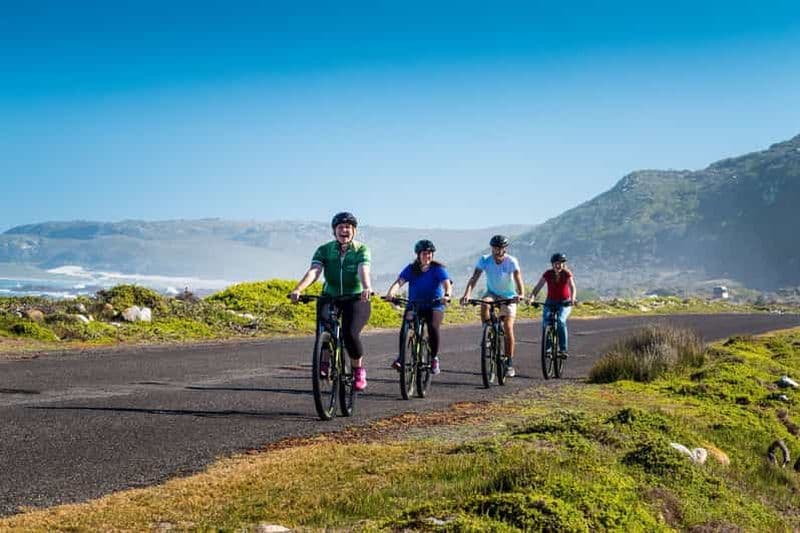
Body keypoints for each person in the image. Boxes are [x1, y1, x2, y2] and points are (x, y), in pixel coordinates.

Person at [289, 212, 373, 391]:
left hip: (356, 298)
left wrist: (366, 287)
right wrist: (298, 289)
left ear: (354, 231)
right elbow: (314, 271)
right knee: (324, 330)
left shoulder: (361, 250)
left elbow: (363, 269)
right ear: (334, 231)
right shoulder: (324, 250)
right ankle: (325, 363)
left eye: (348, 227)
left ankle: (358, 370)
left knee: (350, 334)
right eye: (340, 227)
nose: (344, 230)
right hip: (330, 296)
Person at [384, 239, 453, 375]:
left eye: (429, 253)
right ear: (418, 255)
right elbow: (399, 282)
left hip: (434, 304)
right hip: (415, 305)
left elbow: (446, 283)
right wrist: (391, 294)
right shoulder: (411, 268)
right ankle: (401, 357)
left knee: (432, 327)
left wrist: (447, 295)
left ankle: (434, 358)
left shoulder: (438, 269)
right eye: (424, 253)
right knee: (405, 326)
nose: (427, 256)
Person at [460, 235, 524, 377]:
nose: (497, 250)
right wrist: (467, 294)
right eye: (495, 248)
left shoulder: (511, 261)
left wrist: (521, 294)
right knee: (485, 303)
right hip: (492, 293)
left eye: (500, 248)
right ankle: (487, 332)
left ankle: (509, 363)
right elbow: (474, 278)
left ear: (504, 249)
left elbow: (518, 278)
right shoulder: (485, 260)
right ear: (492, 248)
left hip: (508, 296)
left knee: (508, 328)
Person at [529, 252, 577, 357]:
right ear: (552, 264)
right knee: (546, 321)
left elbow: (572, 287)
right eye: (556, 263)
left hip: (565, 302)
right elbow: (538, 287)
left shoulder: (566, 274)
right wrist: (532, 298)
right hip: (550, 302)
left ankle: (563, 350)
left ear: (564, 264)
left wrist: (573, 299)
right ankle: (548, 349)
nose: (558, 265)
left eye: (560, 263)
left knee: (560, 321)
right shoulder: (548, 274)